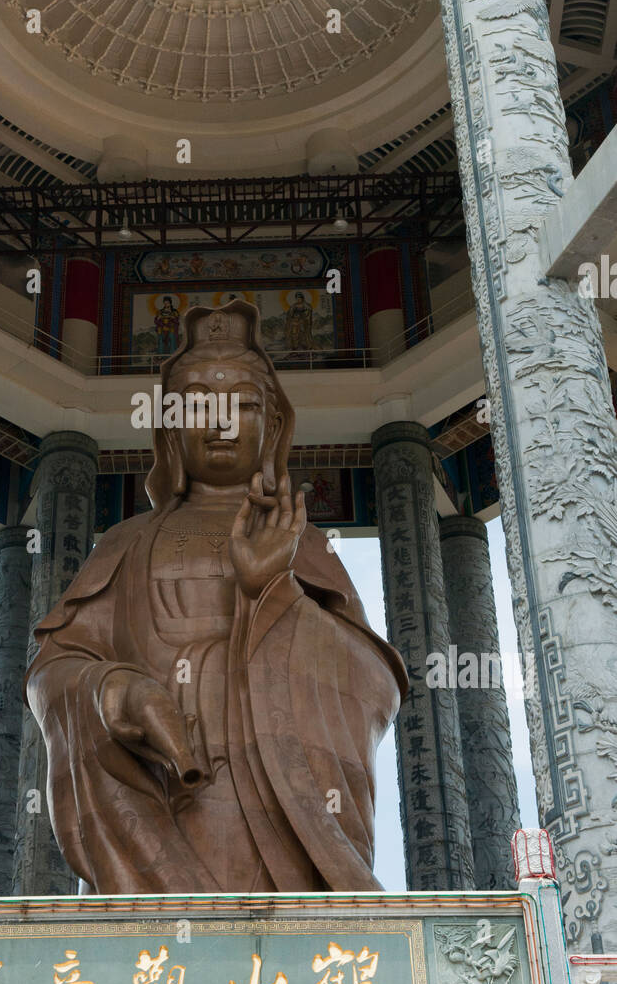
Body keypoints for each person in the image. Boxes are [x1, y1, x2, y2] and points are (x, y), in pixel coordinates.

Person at [25, 299, 406, 892]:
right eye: (200, 406)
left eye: (244, 407)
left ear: (273, 426)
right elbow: (53, 672)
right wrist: (113, 691)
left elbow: (373, 687)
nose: (222, 424)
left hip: (273, 810)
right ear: (170, 426)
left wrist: (273, 591)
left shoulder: (302, 545)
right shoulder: (127, 543)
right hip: (156, 793)